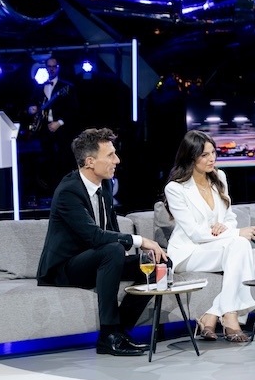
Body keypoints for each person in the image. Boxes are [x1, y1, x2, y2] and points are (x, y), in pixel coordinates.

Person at [37, 128, 168, 356]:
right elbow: (94, 236)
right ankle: (108, 335)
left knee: (160, 264)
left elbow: (109, 224)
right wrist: (138, 241)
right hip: (65, 267)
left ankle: (121, 332)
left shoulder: (104, 183)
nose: (117, 160)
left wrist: (126, 251)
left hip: (98, 259)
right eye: (110, 155)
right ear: (90, 161)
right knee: (111, 250)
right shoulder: (68, 191)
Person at [164, 130, 255, 343]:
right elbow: (193, 232)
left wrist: (226, 226)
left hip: (216, 247)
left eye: (213, 153)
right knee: (241, 245)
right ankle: (230, 317)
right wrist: (235, 233)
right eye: (204, 155)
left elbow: (229, 218)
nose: (212, 159)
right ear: (191, 157)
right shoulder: (175, 189)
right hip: (189, 251)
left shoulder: (219, 177)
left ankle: (213, 313)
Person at [27, 57, 79, 196]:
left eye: (54, 66)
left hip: (61, 130)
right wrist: (32, 109)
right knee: (46, 160)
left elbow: (72, 110)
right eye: (49, 66)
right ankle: (50, 192)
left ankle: (66, 192)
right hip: (44, 130)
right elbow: (32, 104)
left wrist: (59, 122)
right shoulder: (39, 87)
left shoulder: (67, 87)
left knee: (63, 160)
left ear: (58, 67)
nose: (51, 69)